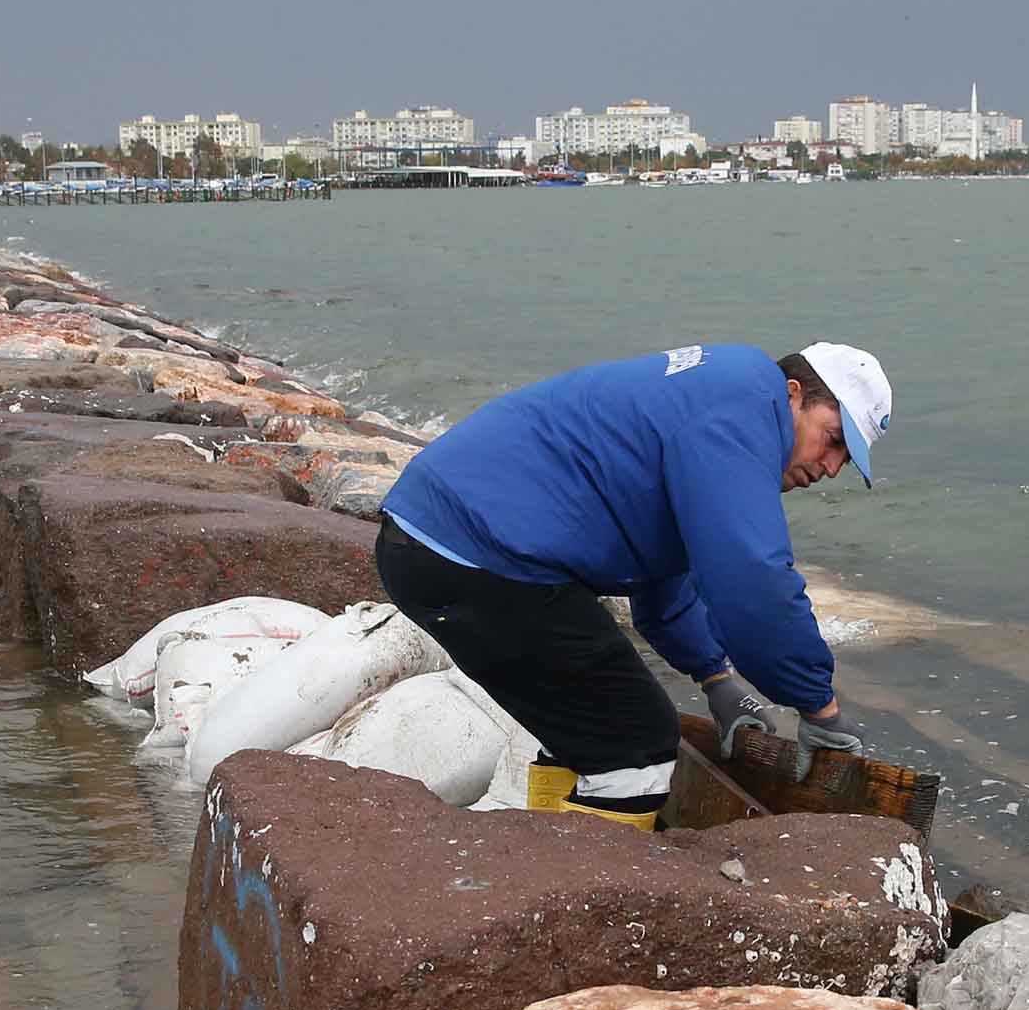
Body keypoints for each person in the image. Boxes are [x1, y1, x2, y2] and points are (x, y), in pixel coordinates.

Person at [374, 343, 891, 826]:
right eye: (833, 440)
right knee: (634, 750)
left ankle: (541, 867)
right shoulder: (745, 412)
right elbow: (754, 584)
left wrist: (715, 678)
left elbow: (660, 573)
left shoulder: (721, 392)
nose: (830, 467)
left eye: (845, 460)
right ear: (794, 393)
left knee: (590, 729)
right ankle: (577, 908)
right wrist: (819, 707)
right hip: (475, 553)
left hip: (440, 539)